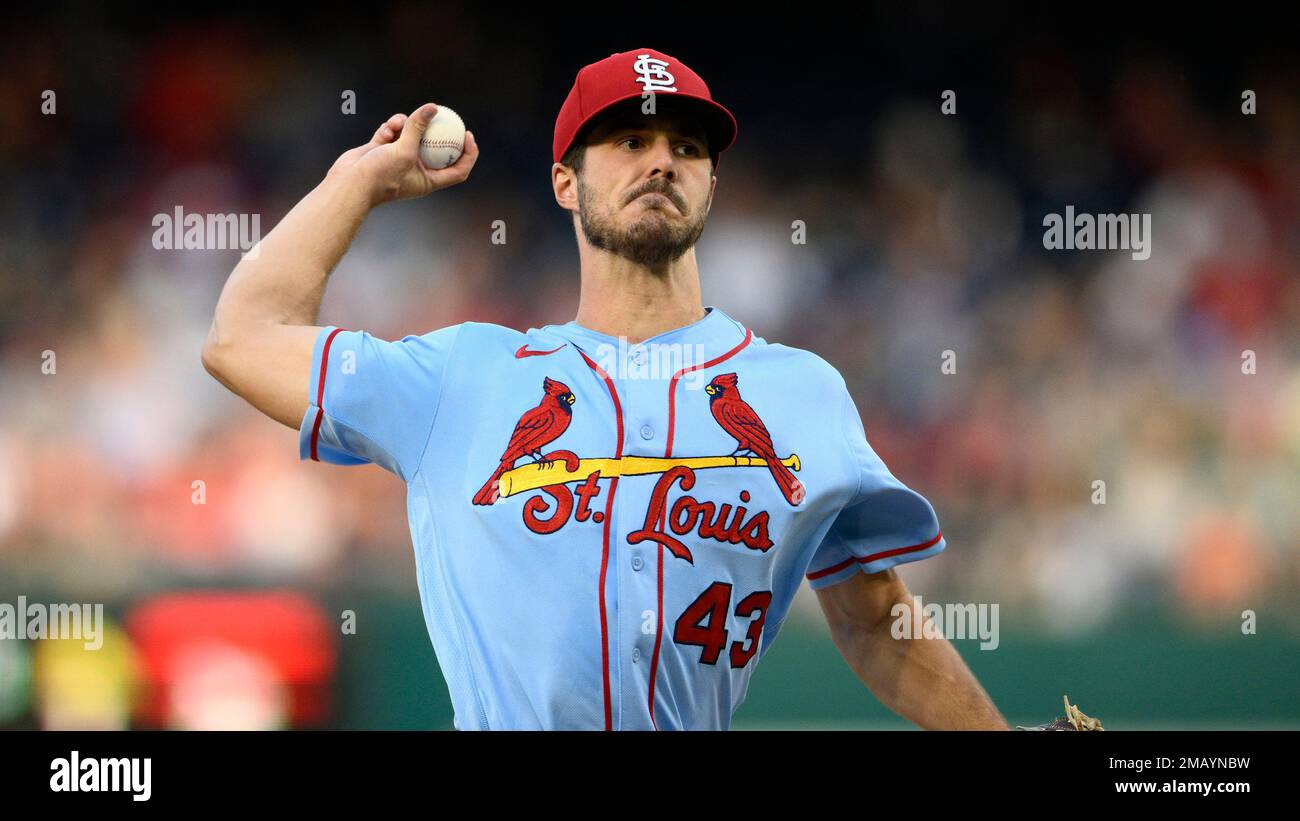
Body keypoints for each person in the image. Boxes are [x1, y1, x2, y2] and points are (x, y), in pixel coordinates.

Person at [202, 47, 1009, 730]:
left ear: (711, 188)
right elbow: (243, 338)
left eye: (687, 148)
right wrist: (358, 182)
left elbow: (880, 621)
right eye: (629, 139)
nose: (662, 160)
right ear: (565, 183)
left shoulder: (802, 391)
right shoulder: (460, 376)